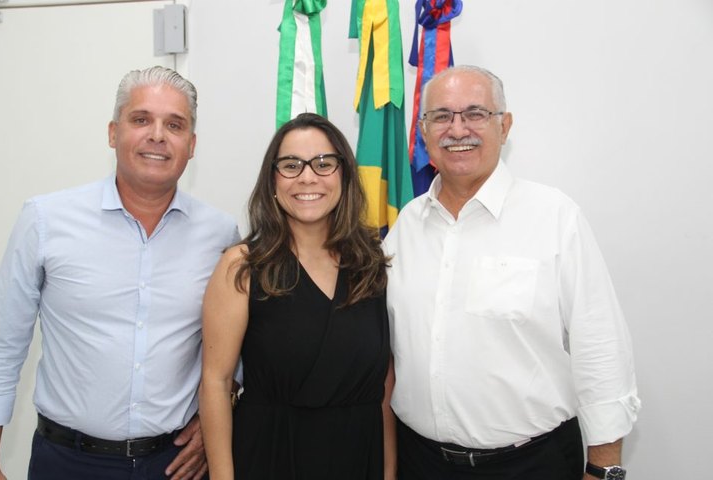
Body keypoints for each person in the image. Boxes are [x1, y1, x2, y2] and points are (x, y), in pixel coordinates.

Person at [0, 66, 239, 480]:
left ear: (192, 144)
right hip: (67, 461)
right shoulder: (45, 220)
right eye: (141, 119)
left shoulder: (221, 236)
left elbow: (234, 355)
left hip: (175, 465)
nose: (158, 135)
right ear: (114, 133)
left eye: (175, 125)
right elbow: (0, 346)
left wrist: (215, 421)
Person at [384, 65, 640, 480]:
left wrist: (603, 467)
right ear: (424, 131)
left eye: (475, 113)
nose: (458, 128)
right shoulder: (404, 229)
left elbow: (601, 347)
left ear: (504, 126)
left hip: (532, 465)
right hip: (421, 463)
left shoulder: (555, 217)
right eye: (443, 116)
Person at [199, 113, 395, 480]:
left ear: (344, 176)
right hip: (272, 455)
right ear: (272, 180)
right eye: (291, 165)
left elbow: (383, 387)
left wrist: (388, 472)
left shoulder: (371, 264)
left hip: (357, 455)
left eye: (324, 163)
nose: (308, 177)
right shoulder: (240, 266)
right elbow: (216, 382)